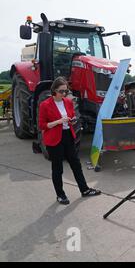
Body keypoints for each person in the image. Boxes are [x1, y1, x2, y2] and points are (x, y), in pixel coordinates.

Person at [38, 77, 101, 205]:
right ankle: (60, 195)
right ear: (54, 91)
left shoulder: (67, 102)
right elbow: (42, 125)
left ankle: (85, 190)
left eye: (66, 91)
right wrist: (58, 122)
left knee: (76, 165)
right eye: (62, 91)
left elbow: (71, 116)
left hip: (67, 135)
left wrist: (72, 120)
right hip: (54, 139)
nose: (64, 94)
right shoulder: (45, 105)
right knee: (58, 168)